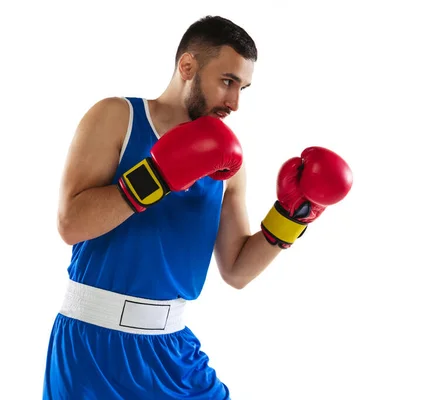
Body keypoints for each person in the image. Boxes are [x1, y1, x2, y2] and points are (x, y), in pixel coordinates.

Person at [42, 15, 353, 399]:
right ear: (187, 66)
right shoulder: (117, 117)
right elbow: (70, 225)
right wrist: (157, 176)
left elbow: (237, 271)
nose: (235, 102)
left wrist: (293, 214)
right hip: (93, 344)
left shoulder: (228, 164)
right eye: (227, 82)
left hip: (173, 349)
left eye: (243, 87)